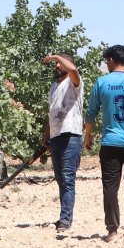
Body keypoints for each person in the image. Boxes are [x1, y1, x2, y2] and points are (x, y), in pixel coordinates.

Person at [83, 44, 124, 243]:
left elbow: (91, 113)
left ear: (112, 60)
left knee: (110, 187)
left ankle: (112, 231)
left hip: (110, 142)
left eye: (106, 61)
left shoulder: (101, 83)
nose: (106, 64)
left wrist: (88, 136)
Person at [41, 53, 83, 233]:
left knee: (67, 178)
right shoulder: (54, 87)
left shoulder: (74, 82)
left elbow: (73, 69)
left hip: (71, 135)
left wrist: (56, 56)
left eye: (60, 64)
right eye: (56, 64)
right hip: (57, 137)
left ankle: (66, 220)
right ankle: (63, 217)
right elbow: (52, 113)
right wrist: (46, 136)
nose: (57, 66)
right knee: (60, 179)